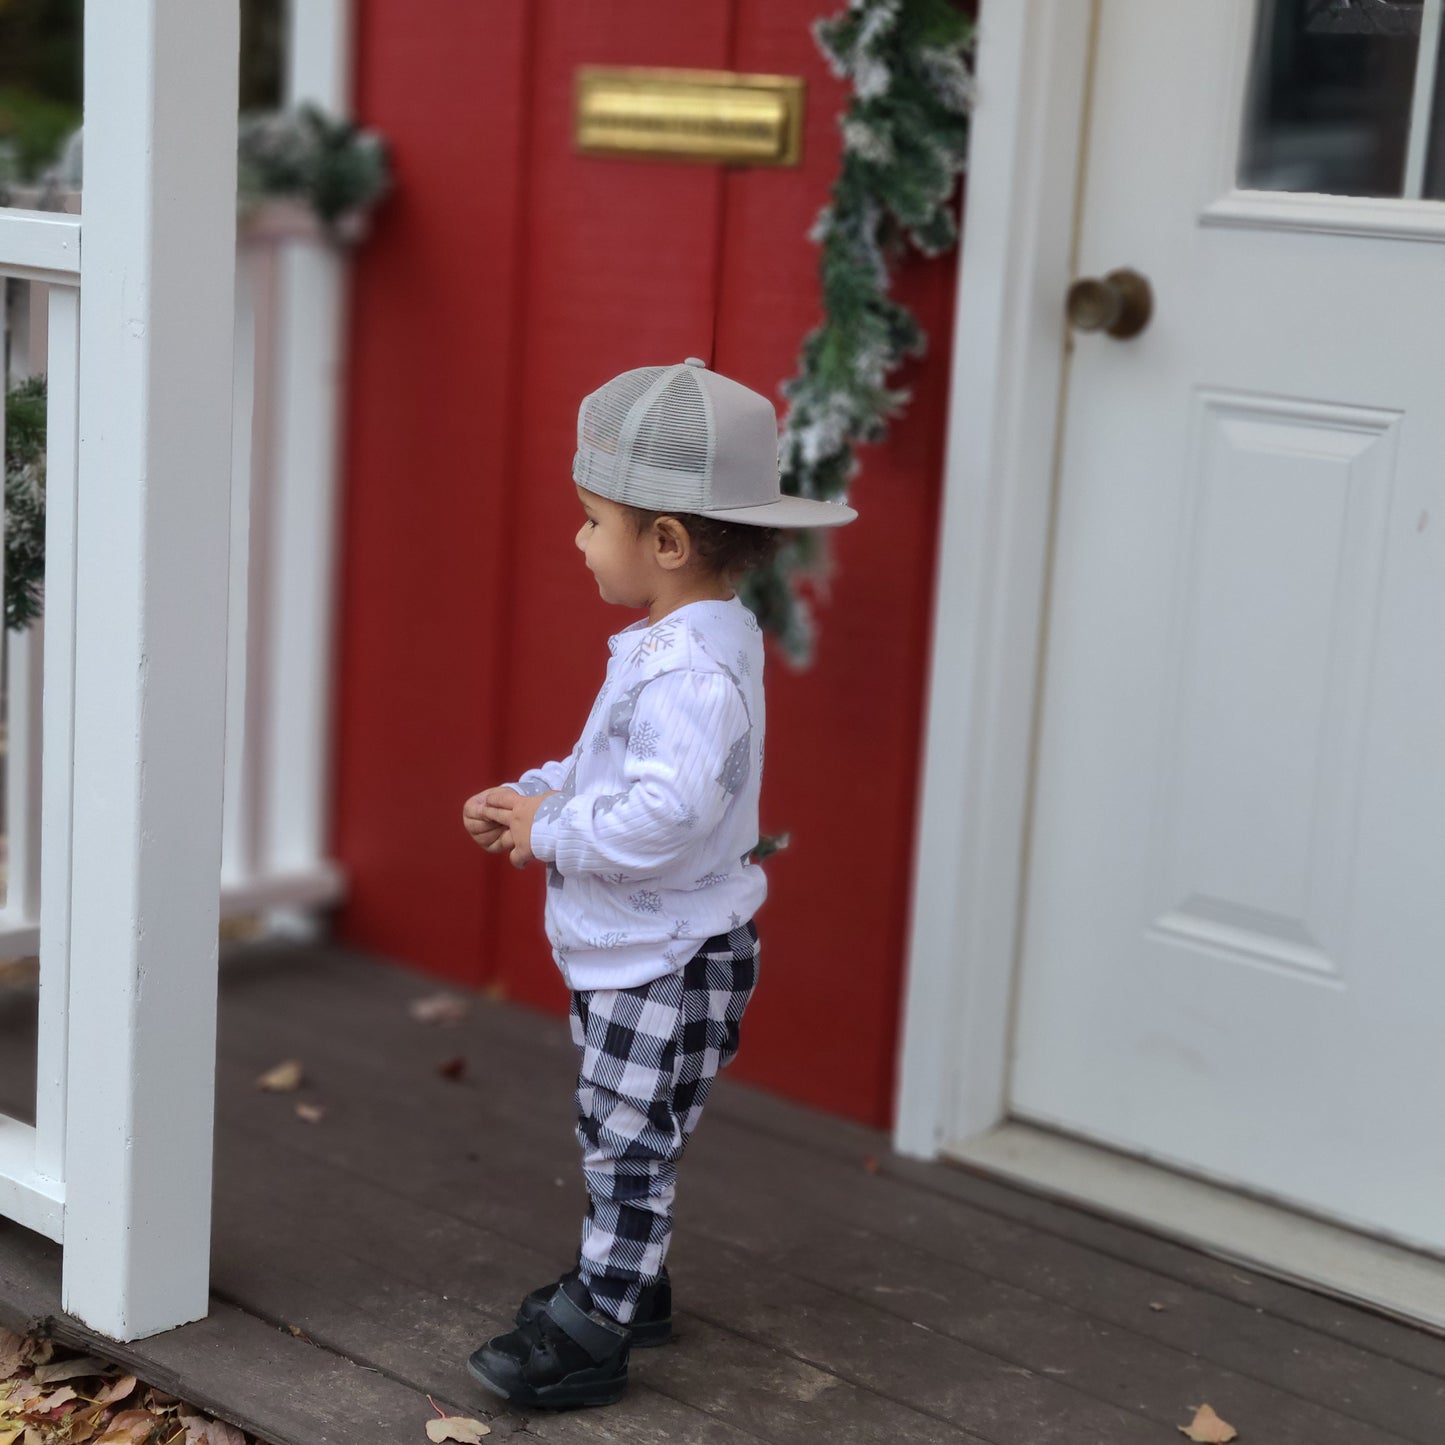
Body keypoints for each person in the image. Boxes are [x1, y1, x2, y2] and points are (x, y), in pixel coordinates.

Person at [460, 357, 855, 1410]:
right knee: (622, 1130)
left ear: (666, 543)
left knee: (625, 1140)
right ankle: (627, 1277)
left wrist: (550, 829)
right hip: (652, 949)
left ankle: (596, 1322)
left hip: (663, 960)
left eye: (593, 520)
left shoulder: (687, 670)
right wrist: (535, 791)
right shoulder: (677, 641)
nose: (579, 540)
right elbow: (616, 771)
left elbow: (661, 814)